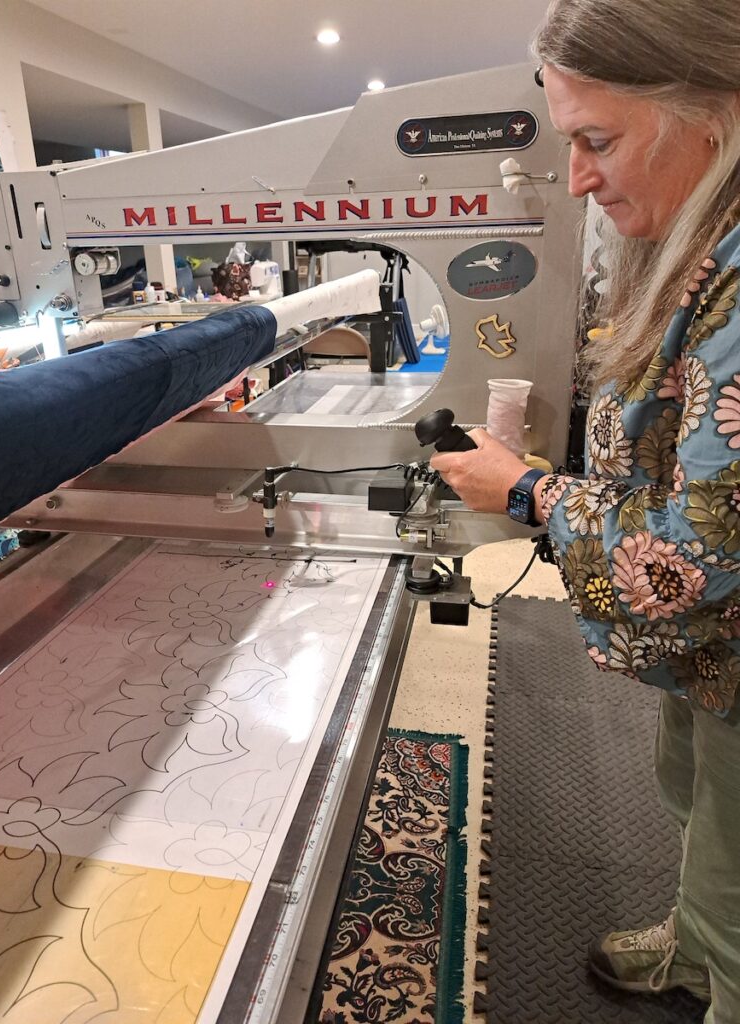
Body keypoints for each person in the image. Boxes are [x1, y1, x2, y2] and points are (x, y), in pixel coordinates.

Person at [429, 2, 740, 1020]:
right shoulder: (699, 243)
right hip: (716, 658)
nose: (577, 179)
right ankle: (699, 946)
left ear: (715, 110)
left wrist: (523, 489)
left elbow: (700, 550)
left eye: (597, 140)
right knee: (699, 794)